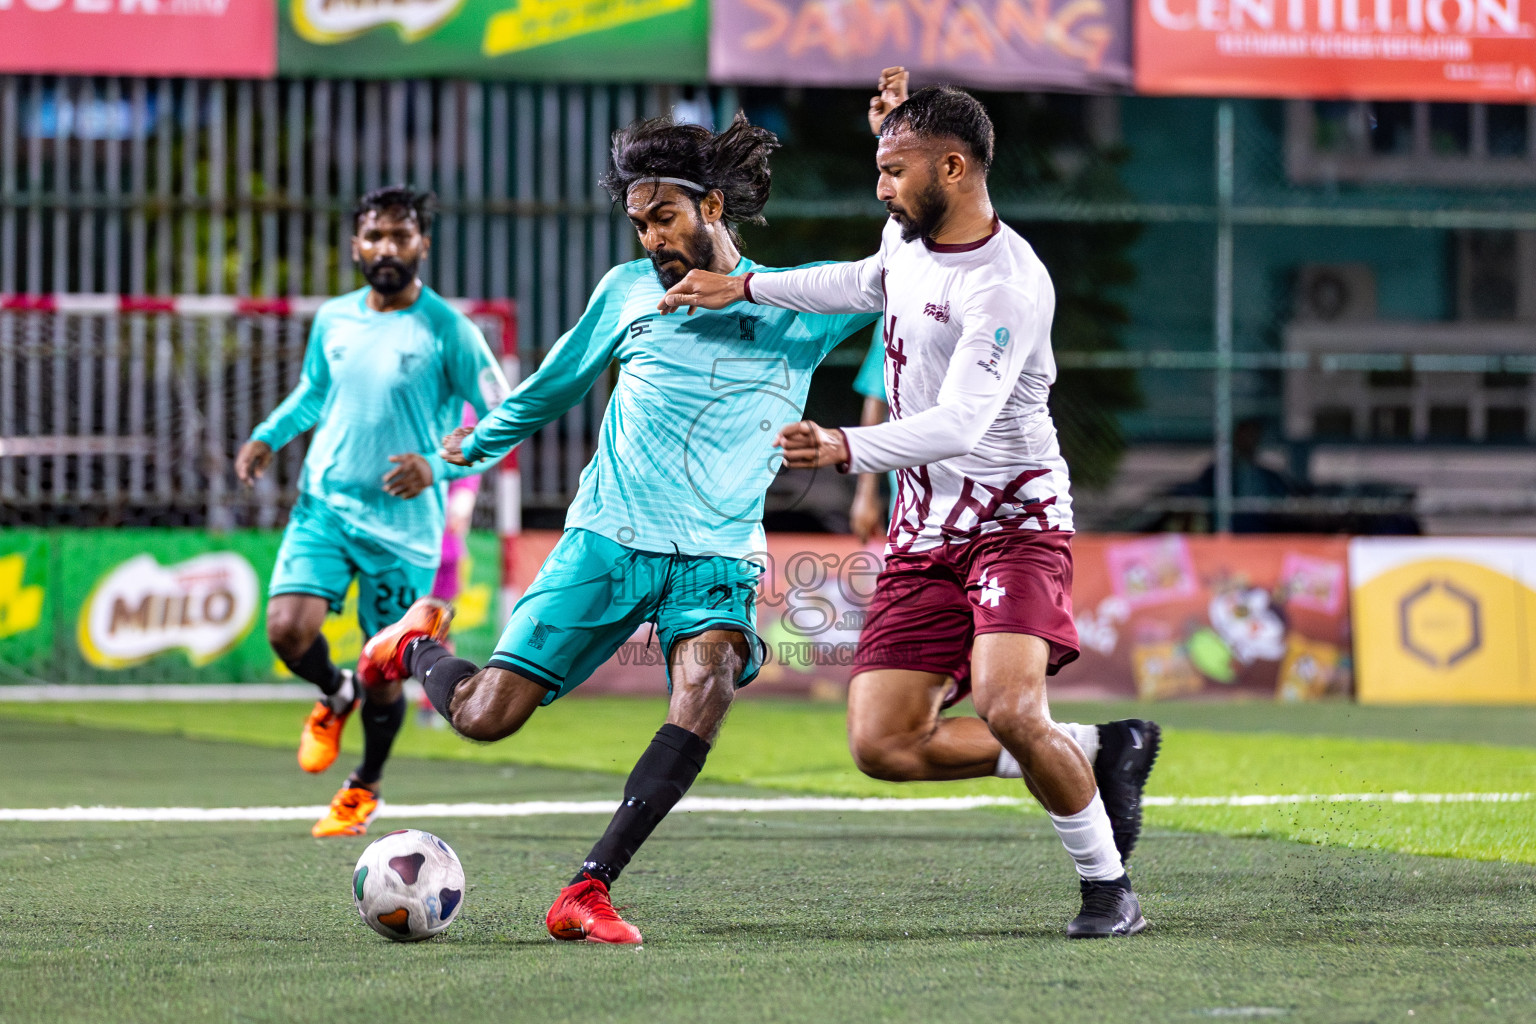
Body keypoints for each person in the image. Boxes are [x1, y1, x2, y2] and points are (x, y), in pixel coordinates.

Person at [356, 113, 884, 945]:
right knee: (485, 716)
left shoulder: (800, 306)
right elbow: (547, 390)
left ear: (713, 204)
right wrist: (458, 455)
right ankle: (415, 644)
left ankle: (587, 889)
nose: (650, 237)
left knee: (705, 687)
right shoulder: (626, 292)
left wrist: (890, 150)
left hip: (716, 557)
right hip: (608, 538)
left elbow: (899, 275)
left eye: (664, 216)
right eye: (638, 221)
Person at [659, 81, 1157, 939]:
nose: (882, 189)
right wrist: (744, 289)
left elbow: (962, 424)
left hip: (1014, 525)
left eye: (895, 172)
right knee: (883, 744)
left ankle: (1107, 886)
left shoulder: (1005, 286)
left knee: (1007, 705)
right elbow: (862, 281)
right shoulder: (908, 239)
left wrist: (844, 446)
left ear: (954, 169)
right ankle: (1100, 749)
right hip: (924, 535)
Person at [235, 185, 508, 838]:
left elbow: (505, 419)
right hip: (324, 507)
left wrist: (438, 467)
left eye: (401, 236)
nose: (387, 248)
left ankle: (363, 787)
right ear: (355, 245)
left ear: (424, 245)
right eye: (375, 236)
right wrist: (269, 434)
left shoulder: (451, 332)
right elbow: (313, 391)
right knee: (285, 630)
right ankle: (333, 694)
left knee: (385, 674)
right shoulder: (333, 318)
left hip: (404, 534)